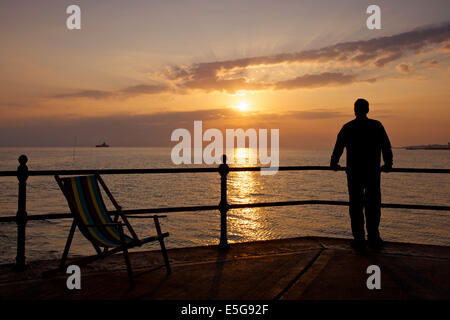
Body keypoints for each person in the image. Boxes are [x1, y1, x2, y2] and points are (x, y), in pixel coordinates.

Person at [330, 98, 393, 251]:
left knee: (356, 206)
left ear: (355, 110)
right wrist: (388, 164)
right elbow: (386, 146)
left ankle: (359, 239)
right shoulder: (377, 126)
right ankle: (373, 237)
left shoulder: (348, 127)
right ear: (368, 110)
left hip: (354, 173)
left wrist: (334, 163)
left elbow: (338, 147)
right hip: (372, 172)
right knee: (373, 205)